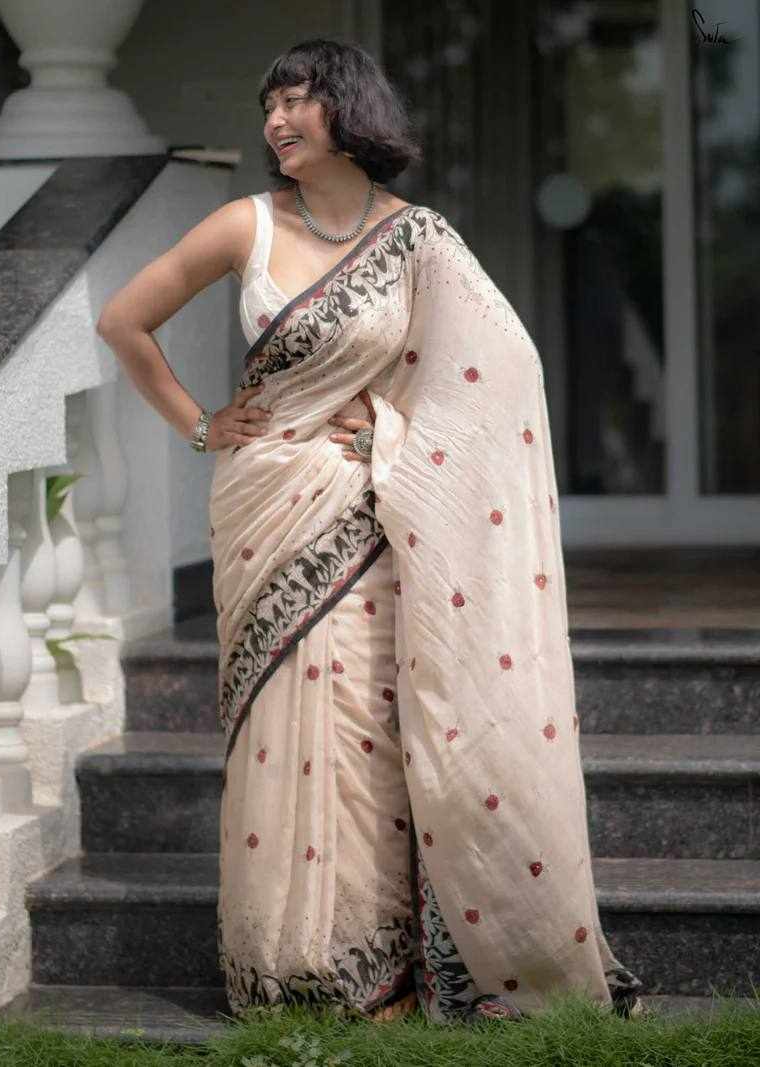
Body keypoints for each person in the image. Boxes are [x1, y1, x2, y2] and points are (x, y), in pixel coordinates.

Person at [97, 37, 644, 1028]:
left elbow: (498, 375)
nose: (275, 120)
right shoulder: (245, 224)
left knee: (361, 732)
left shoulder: (417, 240)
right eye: (268, 104)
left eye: (295, 99)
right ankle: (287, 968)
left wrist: (396, 430)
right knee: (280, 729)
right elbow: (123, 322)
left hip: (366, 507)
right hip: (265, 505)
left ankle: (376, 970)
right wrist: (201, 426)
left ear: (348, 109)